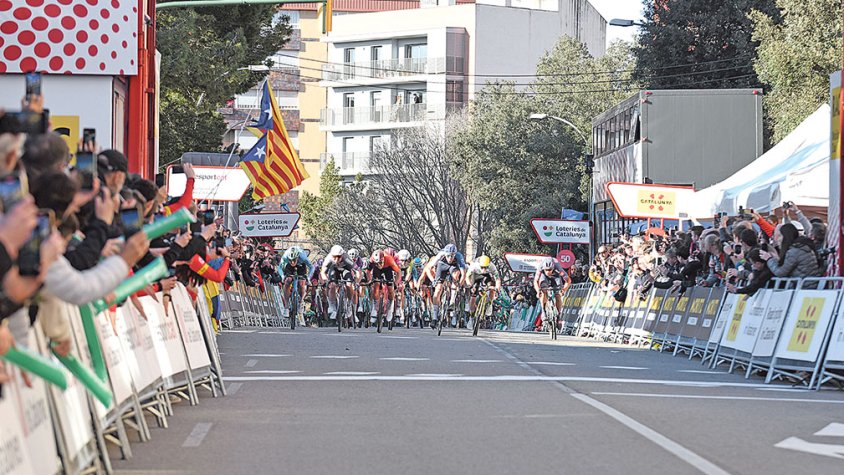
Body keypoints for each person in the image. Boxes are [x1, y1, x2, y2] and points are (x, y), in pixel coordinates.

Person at [418, 244, 466, 329]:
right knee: (438, 290)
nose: (450, 258)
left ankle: (451, 302)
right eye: (448, 256)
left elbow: (463, 274)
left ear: (455, 254)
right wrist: (433, 280)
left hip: (453, 267)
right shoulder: (440, 254)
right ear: (445, 254)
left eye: (452, 256)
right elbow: (428, 267)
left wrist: (460, 285)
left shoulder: (459, 256)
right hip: (442, 265)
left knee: (456, 276)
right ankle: (435, 317)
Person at [363, 249, 401, 325]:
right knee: (376, 285)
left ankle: (390, 309)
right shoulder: (372, 260)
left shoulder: (389, 259)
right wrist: (370, 280)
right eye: (377, 263)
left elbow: (398, 272)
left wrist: (396, 283)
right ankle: (375, 307)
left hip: (388, 269)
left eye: (380, 262)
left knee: (390, 289)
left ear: (383, 259)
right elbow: (368, 271)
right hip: (377, 271)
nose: (379, 265)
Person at [320, 245, 357, 321]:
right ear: (331, 255)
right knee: (332, 285)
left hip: (346, 270)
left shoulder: (346, 258)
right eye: (334, 257)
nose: (336, 259)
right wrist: (326, 280)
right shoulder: (328, 259)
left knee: (349, 284)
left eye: (339, 257)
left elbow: (357, 270)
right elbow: (323, 272)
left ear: (342, 255)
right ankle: (332, 306)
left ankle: (349, 304)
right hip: (334, 270)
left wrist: (357, 281)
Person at [533, 256, 571, 328]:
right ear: (543, 268)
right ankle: (543, 311)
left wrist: (564, 290)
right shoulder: (540, 268)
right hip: (544, 278)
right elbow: (535, 281)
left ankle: (559, 315)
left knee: (558, 294)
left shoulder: (558, 268)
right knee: (543, 289)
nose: (548, 271)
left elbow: (568, 280)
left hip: (556, 276)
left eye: (550, 269)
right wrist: (538, 291)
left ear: (553, 268)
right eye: (546, 270)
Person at [464, 255, 502, 323]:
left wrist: (497, 289)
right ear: (479, 265)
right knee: (473, 295)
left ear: (488, 265)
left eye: (486, 267)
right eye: (482, 267)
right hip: (475, 276)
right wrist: (470, 285)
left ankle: (490, 304)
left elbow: (498, 279)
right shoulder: (474, 266)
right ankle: (471, 315)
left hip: (487, 276)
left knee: (492, 288)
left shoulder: (492, 266)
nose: (484, 269)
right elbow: (467, 277)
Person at [279, 246, 313, 321]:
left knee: (301, 283)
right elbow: (280, 268)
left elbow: (311, 267)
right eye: (291, 260)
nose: (292, 262)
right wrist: (282, 276)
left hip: (301, 266)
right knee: (287, 280)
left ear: (297, 257)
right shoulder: (285, 256)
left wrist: (308, 278)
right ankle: (286, 307)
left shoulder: (303, 257)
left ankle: (301, 301)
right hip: (289, 268)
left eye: (294, 260)